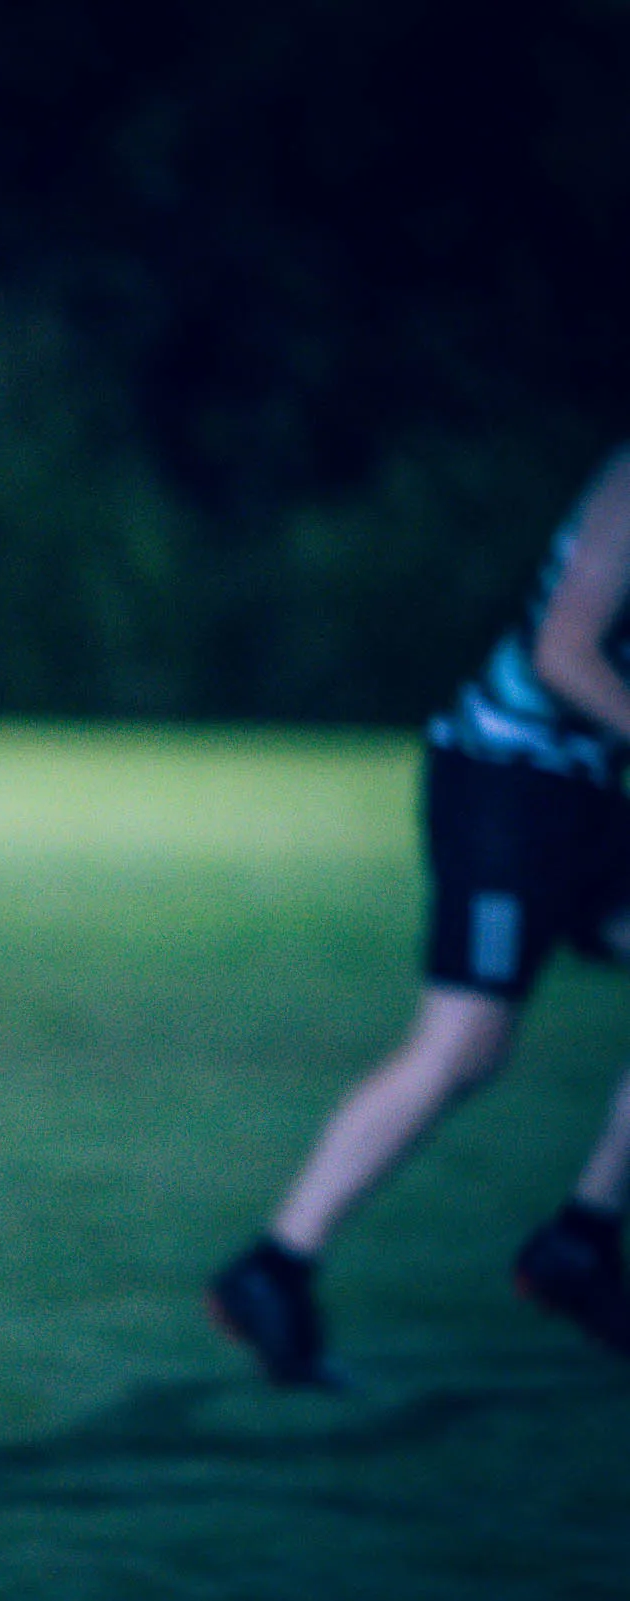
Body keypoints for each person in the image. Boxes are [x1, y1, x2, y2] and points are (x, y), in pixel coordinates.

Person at [211, 445, 630, 1387]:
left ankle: (585, 1234)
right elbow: (566, 649)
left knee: (471, 1048)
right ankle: (274, 1266)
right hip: (508, 787)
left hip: (592, 793)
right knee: (465, 1047)